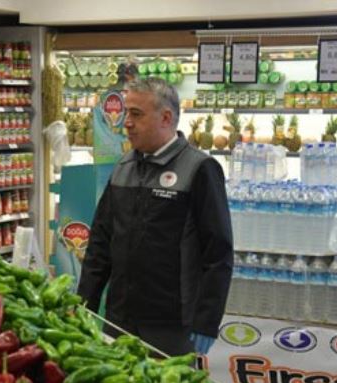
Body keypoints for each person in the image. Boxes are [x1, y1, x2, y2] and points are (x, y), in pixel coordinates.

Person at [77, 78, 233, 356]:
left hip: (171, 325)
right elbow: (100, 242)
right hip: (118, 319)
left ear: (166, 118)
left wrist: (206, 321)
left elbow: (218, 253)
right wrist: (84, 302)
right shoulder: (123, 167)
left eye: (136, 114)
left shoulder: (200, 169)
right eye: (126, 113)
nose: (126, 122)